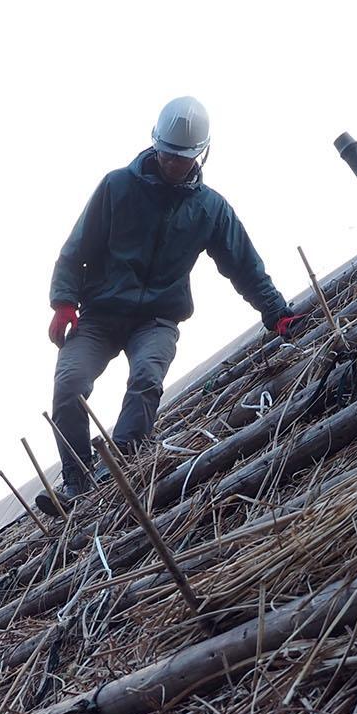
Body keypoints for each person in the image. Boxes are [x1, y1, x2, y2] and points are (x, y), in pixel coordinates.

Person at [42, 95, 293, 508]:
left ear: (201, 155)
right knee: (69, 385)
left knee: (146, 381)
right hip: (101, 313)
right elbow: (76, 249)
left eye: (183, 158)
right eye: (167, 155)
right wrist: (64, 301)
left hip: (156, 320)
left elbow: (245, 266)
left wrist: (277, 313)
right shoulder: (116, 186)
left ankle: (120, 469)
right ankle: (77, 481)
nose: (173, 164)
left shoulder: (210, 209)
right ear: (155, 144)